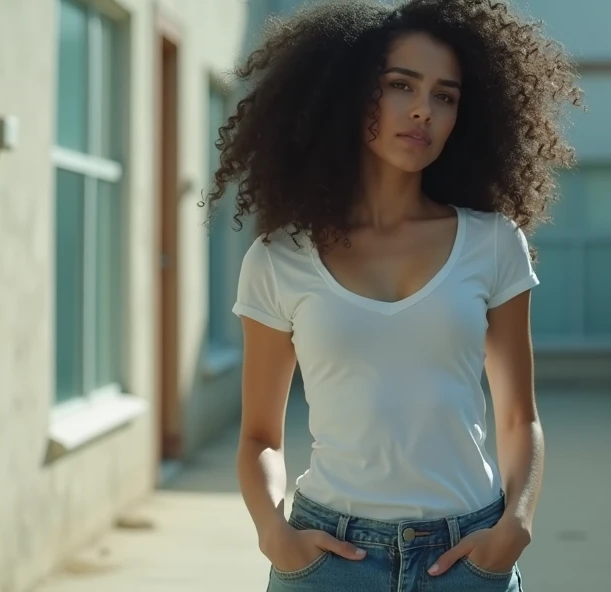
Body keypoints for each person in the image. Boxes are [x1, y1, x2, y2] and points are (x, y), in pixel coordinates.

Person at [206, 0, 580, 589]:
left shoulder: (492, 242)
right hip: (329, 562)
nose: (422, 111)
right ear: (352, 94)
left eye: (445, 95)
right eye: (401, 85)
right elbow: (259, 438)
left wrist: (518, 523)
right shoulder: (280, 260)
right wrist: (273, 533)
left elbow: (518, 416)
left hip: (468, 557)